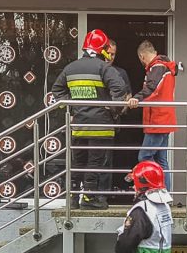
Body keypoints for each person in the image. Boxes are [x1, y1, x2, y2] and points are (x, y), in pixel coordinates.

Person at [51, 29, 127, 210]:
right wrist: (113, 110)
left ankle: (72, 199)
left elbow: (57, 92)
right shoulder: (104, 68)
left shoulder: (71, 68)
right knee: (95, 163)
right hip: (100, 126)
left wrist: (74, 105)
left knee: (77, 163)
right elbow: (120, 89)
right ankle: (89, 198)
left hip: (78, 125)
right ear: (102, 49)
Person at [126, 41, 178, 191]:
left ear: (142, 56)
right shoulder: (166, 66)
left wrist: (135, 98)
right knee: (162, 160)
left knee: (144, 156)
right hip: (165, 119)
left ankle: (152, 191)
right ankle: (165, 194)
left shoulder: (157, 67)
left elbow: (151, 87)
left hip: (157, 120)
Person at [100, 39, 133, 198]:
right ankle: (89, 194)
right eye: (108, 53)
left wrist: (118, 110)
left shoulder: (120, 72)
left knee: (107, 159)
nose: (111, 57)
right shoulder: (94, 71)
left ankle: (104, 195)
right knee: (90, 159)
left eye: (114, 54)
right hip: (92, 121)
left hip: (112, 122)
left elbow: (128, 96)